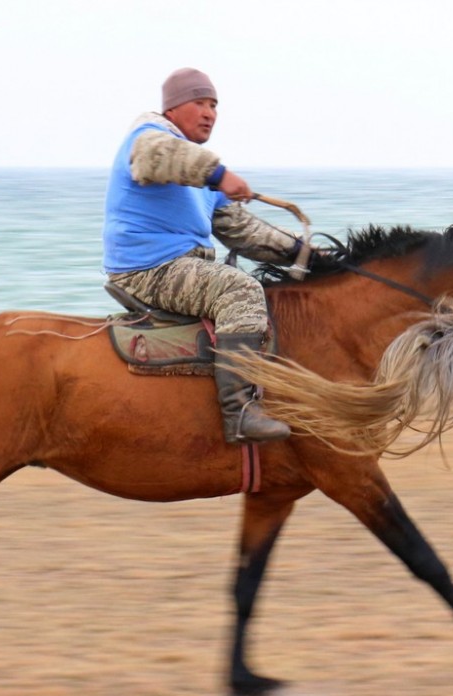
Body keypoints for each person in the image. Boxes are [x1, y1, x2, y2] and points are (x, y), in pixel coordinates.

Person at [104, 67, 304, 444]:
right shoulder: (148, 137)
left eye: (214, 105)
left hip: (179, 265)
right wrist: (219, 173)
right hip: (148, 269)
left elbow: (243, 232)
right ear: (173, 109)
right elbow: (162, 156)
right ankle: (239, 414)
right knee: (240, 291)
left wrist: (302, 250)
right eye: (200, 103)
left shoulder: (201, 176)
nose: (210, 112)